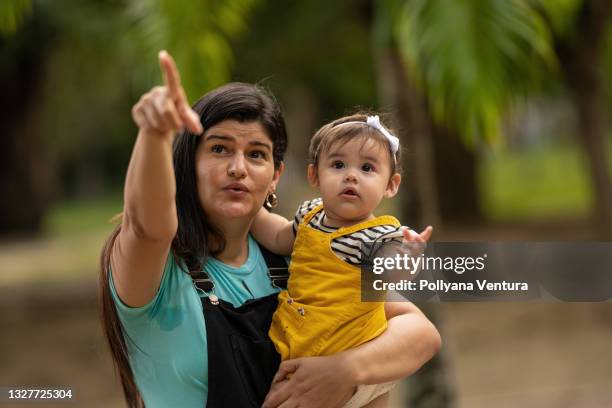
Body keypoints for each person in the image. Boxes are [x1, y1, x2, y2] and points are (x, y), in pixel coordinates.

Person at [99, 50, 441, 408]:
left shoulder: (304, 255)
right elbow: (146, 225)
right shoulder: (156, 268)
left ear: (275, 176)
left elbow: (420, 333)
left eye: (257, 154)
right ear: (188, 163)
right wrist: (153, 136)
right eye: (219, 149)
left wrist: (344, 370)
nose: (237, 168)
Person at [251, 113, 433, 407]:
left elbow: (388, 274)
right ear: (314, 176)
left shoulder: (378, 236)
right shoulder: (309, 215)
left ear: (391, 185)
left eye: (367, 168)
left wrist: (407, 259)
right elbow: (279, 237)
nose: (351, 175)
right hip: (310, 346)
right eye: (338, 165)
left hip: (357, 353)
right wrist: (252, 213)